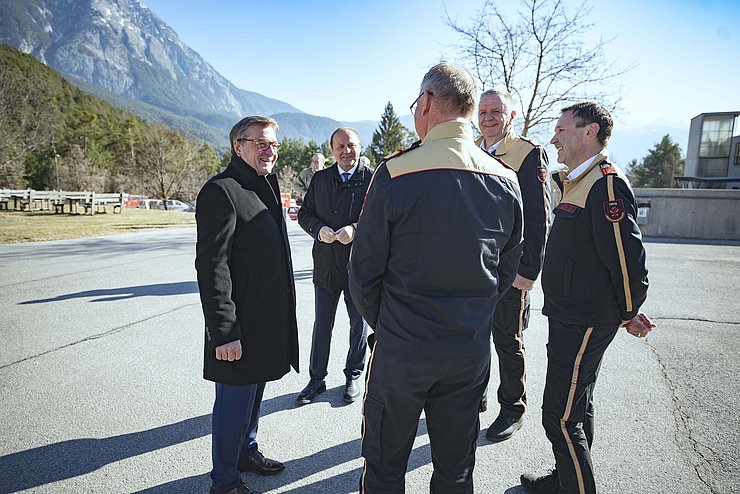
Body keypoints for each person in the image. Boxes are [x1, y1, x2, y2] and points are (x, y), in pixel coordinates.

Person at [349, 62, 524, 494]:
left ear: (426, 102)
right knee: (456, 470)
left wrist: (391, 325)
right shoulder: (506, 179)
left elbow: (364, 272)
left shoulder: (395, 172)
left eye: (415, 105)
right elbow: (505, 269)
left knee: (386, 468)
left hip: (403, 348)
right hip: (468, 349)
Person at [520, 102, 655, 494]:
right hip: (569, 315)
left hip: (585, 319)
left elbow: (628, 261)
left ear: (589, 131)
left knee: (558, 418)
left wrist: (629, 312)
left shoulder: (606, 184)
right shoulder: (577, 179)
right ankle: (565, 479)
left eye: (561, 130)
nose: (553, 138)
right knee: (577, 406)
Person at [195, 116, 299, 494]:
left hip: (265, 322)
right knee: (233, 404)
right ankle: (224, 482)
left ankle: (246, 452)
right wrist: (224, 332)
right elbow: (211, 267)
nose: (269, 150)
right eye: (260, 143)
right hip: (238, 326)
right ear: (237, 146)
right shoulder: (221, 190)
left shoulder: (264, 186)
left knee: (254, 395)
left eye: (273, 144)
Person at [475, 90, 551, 442]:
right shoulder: (473, 148)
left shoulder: (528, 153)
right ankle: (477, 397)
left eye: (496, 111)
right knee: (474, 337)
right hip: (476, 267)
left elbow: (538, 218)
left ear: (512, 115)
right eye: (483, 111)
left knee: (507, 339)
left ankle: (513, 407)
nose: (488, 117)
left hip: (510, 268)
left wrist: (528, 272)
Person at [296, 127, 372, 405]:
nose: (346, 150)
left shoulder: (372, 180)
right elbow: (305, 214)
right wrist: (318, 230)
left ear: (359, 146)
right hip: (326, 265)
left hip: (359, 266)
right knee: (322, 324)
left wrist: (356, 229)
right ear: (332, 151)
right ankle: (317, 379)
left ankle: (354, 375)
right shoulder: (320, 179)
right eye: (340, 146)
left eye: (350, 145)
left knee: (358, 324)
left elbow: (382, 218)